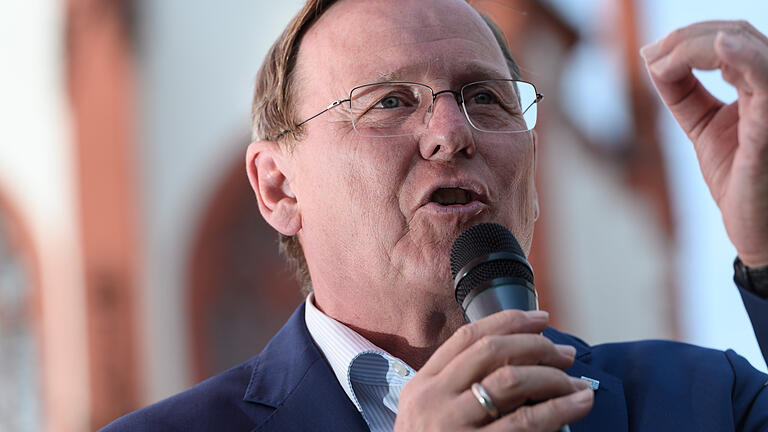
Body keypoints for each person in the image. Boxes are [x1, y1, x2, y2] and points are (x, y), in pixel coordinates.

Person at [102, 0, 768, 430]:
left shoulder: (702, 402)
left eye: (485, 96)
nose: (453, 132)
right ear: (279, 188)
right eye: (390, 101)